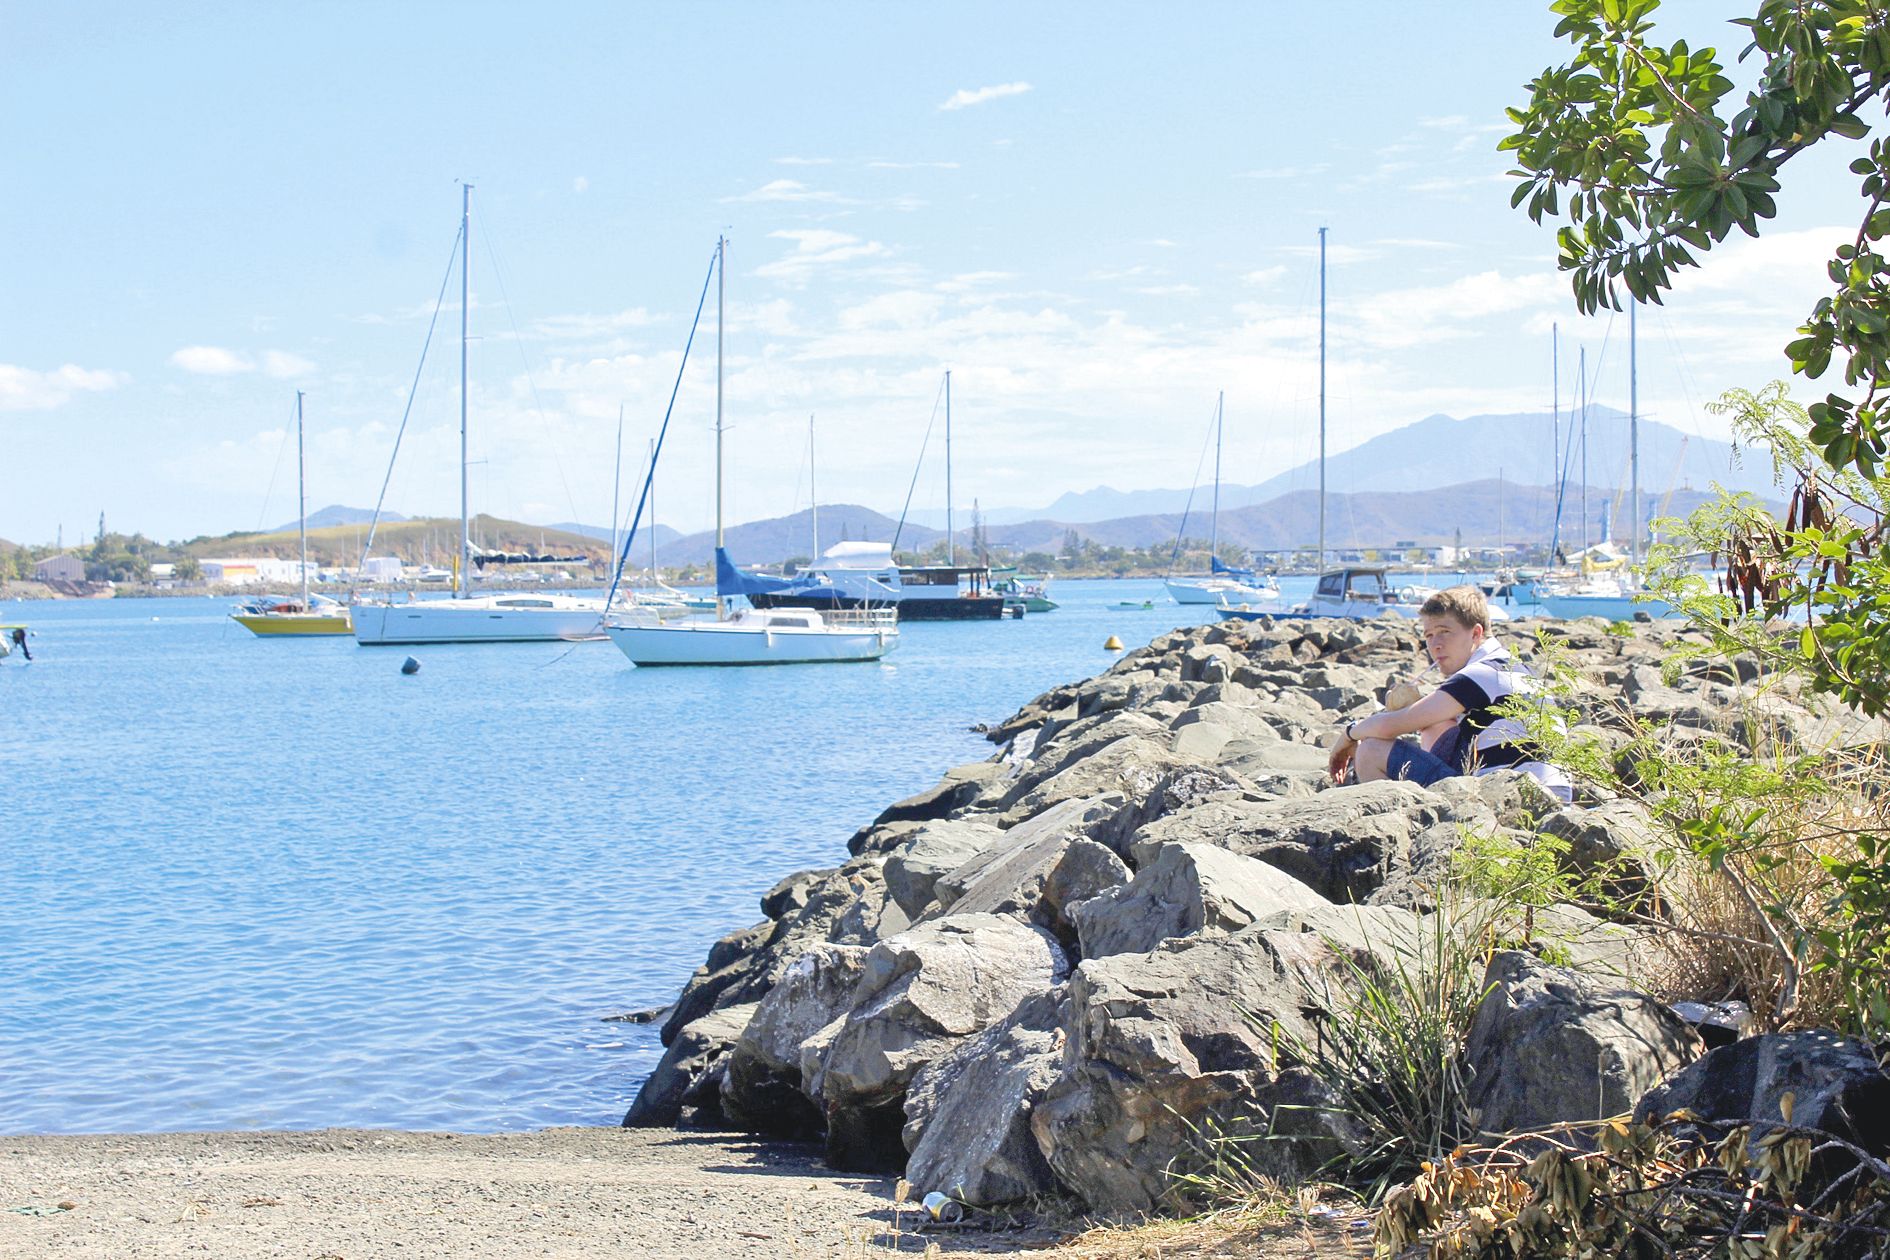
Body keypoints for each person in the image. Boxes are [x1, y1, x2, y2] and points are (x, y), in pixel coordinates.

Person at [1326, 585, 1571, 801]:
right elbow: (1431, 724)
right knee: (1439, 723)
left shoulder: (1482, 674)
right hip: (1553, 797)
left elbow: (1398, 724)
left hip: (1512, 799)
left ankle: (1395, 833)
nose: (1435, 645)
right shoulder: (1511, 666)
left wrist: (1349, 733)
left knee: (1371, 750)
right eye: (1429, 636)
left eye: (1444, 631)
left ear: (1476, 633)